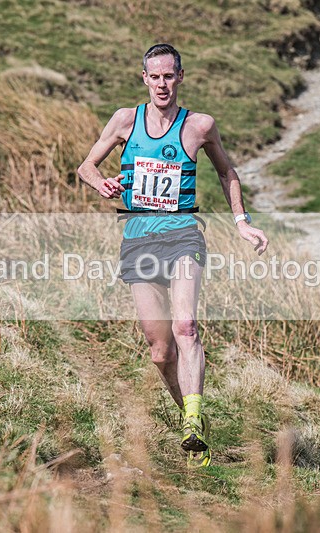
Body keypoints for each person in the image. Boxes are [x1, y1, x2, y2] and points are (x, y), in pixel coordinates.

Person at [77, 43, 269, 468]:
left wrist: (242, 222)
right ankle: (187, 412)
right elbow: (85, 166)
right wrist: (100, 184)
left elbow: (226, 171)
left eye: (169, 76)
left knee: (186, 325)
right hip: (138, 238)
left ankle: (194, 424)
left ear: (180, 77)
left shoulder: (200, 126)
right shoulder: (125, 120)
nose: (162, 84)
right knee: (160, 350)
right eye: (154, 77)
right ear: (144, 78)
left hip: (183, 235)